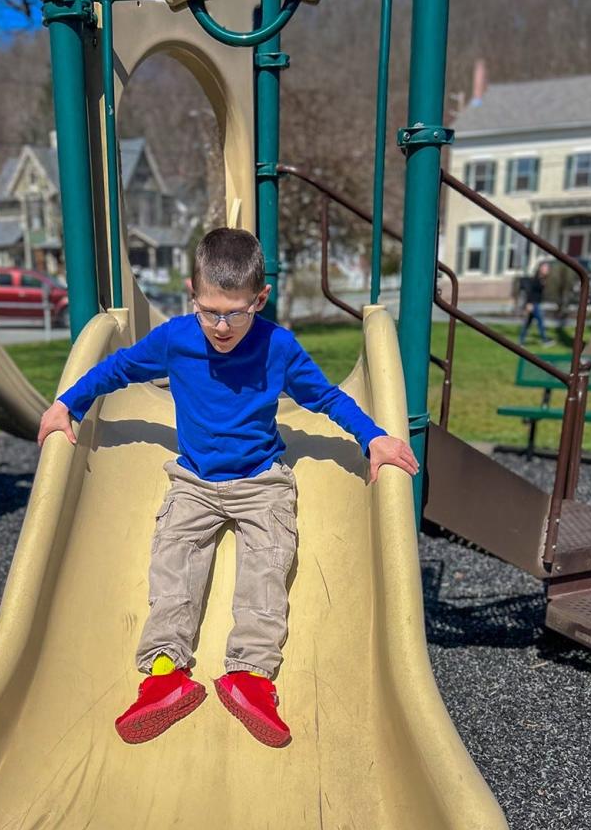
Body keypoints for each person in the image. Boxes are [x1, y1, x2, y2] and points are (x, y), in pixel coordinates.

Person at [37, 228, 418, 748]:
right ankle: (165, 677)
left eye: (235, 313)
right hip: (194, 480)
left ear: (259, 300)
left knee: (267, 568)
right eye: (209, 309)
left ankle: (251, 678)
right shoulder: (176, 339)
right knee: (172, 564)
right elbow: (119, 369)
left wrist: (373, 437)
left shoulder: (277, 347)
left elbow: (326, 397)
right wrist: (68, 404)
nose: (220, 325)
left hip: (262, 481)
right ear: (193, 290)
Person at [519, 261, 555, 347]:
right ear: (540, 269)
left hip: (536, 303)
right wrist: (529, 304)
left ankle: (521, 341)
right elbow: (530, 292)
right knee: (540, 322)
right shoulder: (535, 279)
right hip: (533, 304)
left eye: (548, 268)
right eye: (545, 268)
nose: (547, 270)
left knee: (528, 323)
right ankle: (544, 340)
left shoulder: (542, 279)